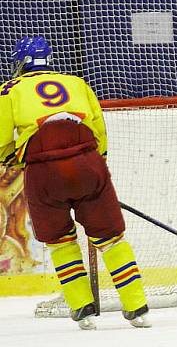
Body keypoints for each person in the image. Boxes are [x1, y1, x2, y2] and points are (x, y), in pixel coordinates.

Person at [0, 36, 149, 329]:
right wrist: (95, 170)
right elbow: (98, 130)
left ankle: (83, 309)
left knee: (61, 241)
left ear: (20, 63)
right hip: (88, 163)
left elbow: (2, 140)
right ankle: (137, 306)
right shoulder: (76, 82)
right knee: (110, 238)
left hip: (44, 172)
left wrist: (16, 159)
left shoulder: (7, 91)